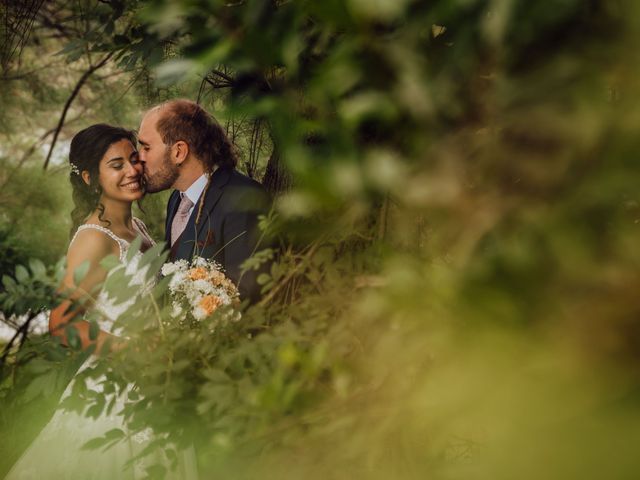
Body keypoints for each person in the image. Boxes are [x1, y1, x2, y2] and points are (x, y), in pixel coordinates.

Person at [6, 124, 197, 479]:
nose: (132, 170)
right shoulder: (94, 240)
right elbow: (61, 323)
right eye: (116, 165)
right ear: (90, 177)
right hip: (114, 390)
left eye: (134, 159)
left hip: (155, 382)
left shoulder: (136, 227)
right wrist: (129, 350)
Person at [138, 99, 270, 302]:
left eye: (146, 148)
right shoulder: (176, 200)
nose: (140, 158)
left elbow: (249, 295)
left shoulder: (244, 199)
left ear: (179, 152)